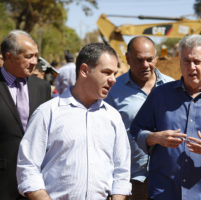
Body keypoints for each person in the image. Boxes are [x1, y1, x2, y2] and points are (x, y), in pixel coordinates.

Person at [130, 34, 201, 200]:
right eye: (186, 61)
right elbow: (137, 129)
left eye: (197, 62)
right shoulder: (159, 95)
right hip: (164, 192)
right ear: (180, 63)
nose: (191, 67)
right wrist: (154, 137)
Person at [17, 43, 131, 200]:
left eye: (115, 74)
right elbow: (28, 167)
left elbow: (122, 170)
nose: (113, 80)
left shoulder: (113, 117)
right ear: (84, 70)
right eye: (106, 72)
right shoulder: (47, 113)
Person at [105, 36, 173, 200]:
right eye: (139, 60)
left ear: (156, 58)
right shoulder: (113, 90)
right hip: (130, 180)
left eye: (149, 59)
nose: (145, 65)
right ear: (127, 58)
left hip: (166, 179)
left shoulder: (172, 87)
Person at [0, 30, 51, 200]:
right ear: (9, 56)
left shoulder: (42, 87)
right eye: (29, 56)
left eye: (36, 56)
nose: (34, 62)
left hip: (37, 183)